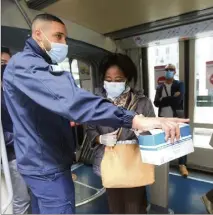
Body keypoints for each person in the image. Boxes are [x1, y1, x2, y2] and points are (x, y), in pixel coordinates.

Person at [3, 13, 189, 214]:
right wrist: (133, 120)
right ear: (38, 34)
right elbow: (73, 102)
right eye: (58, 36)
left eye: (65, 38)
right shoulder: (26, 66)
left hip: (53, 161)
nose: (64, 43)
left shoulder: (140, 101)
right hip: (47, 165)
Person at [86, 53, 155, 214]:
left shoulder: (143, 102)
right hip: (109, 160)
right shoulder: (96, 102)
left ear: (127, 79)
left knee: (134, 206)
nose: (112, 83)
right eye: (108, 79)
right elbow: (90, 129)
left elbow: (153, 133)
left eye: (118, 80)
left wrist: (142, 132)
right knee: (115, 206)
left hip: (134, 160)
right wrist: (100, 138)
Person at [1, 47, 31, 214]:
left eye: (7, 63)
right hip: (12, 154)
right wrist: (20, 137)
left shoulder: (18, 92)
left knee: (30, 194)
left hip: (27, 151)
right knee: (21, 199)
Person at [154, 64, 189, 177]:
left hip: (176, 117)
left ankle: (182, 165)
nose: (168, 71)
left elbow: (178, 101)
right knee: (164, 140)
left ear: (174, 72)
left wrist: (163, 99)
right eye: (167, 70)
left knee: (181, 140)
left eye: (171, 70)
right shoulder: (160, 87)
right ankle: (165, 165)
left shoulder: (180, 84)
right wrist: (171, 98)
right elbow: (156, 103)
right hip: (163, 119)